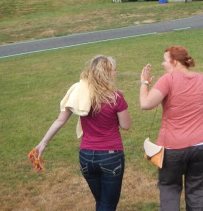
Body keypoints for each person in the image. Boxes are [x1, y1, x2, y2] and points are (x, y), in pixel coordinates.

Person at [35, 55, 131, 211]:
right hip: (110, 156)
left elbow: (60, 120)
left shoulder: (80, 96)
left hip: (86, 156)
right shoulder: (116, 97)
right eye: (114, 69)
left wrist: (43, 143)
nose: (116, 72)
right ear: (106, 73)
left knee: (101, 201)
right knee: (108, 205)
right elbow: (126, 125)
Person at [139, 46, 203, 211]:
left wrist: (144, 83)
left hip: (173, 148)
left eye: (165, 60)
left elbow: (146, 103)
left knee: (170, 188)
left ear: (174, 62)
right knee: (198, 188)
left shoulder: (167, 79)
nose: (163, 64)